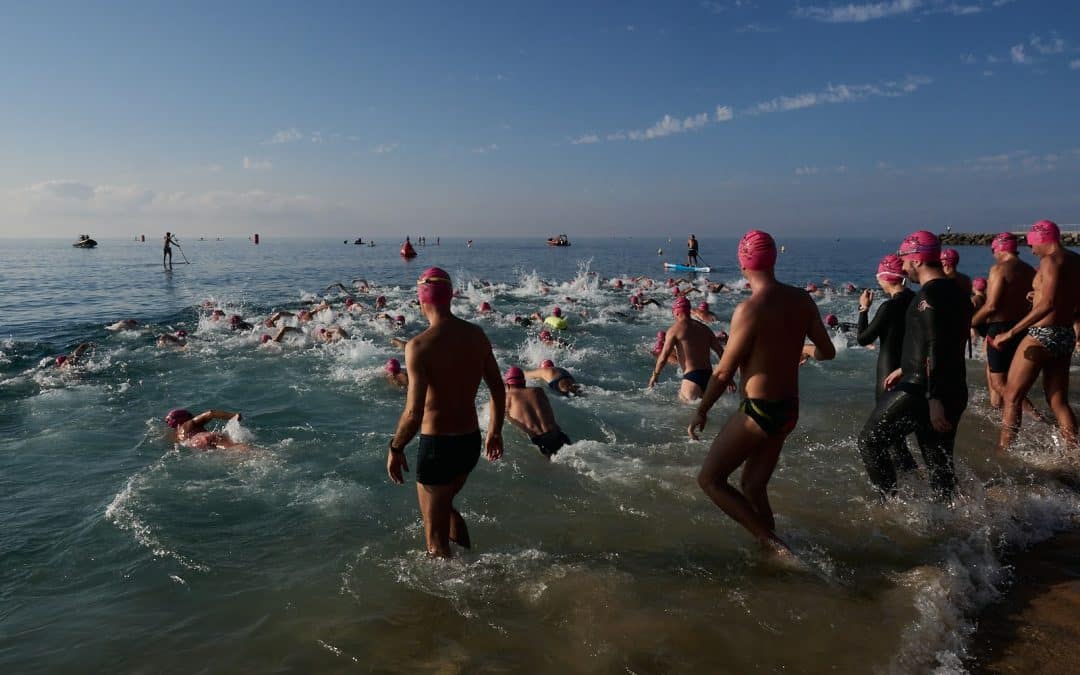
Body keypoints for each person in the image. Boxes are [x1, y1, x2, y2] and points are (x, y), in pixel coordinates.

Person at [689, 230, 835, 556]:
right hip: (789, 410)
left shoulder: (750, 309)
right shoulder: (803, 300)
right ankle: (776, 547)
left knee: (710, 480)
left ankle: (774, 547)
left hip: (759, 411)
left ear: (743, 263)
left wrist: (703, 409)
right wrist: (806, 352)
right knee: (753, 486)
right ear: (773, 259)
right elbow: (828, 352)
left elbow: (725, 370)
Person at [386, 267, 505, 557]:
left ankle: (458, 596)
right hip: (469, 443)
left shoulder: (418, 346)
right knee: (445, 506)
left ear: (422, 300)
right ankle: (471, 560)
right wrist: (494, 432)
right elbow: (499, 389)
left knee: (434, 543)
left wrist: (396, 447)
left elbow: (414, 413)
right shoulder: (477, 336)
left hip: (437, 447)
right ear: (450, 297)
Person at [857, 231, 971, 501]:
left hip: (924, 390)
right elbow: (948, 343)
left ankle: (890, 507)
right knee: (938, 465)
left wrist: (932, 397)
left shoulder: (927, 297)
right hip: (951, 386)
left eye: (905, 259)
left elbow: (934, 344)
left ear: (917, 260)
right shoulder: (958, 293)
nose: (904, 266)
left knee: (870, 441)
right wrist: (906, 368)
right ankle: (949, 524)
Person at [992, 220, 1079, 451]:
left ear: (1042, 240)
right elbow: (1065, 299)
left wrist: (1010, 332)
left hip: (1042, 335)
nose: (1031, 251)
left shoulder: (1050, 261)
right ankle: (1074, 452)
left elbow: (1048, 303)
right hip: (1065, 333)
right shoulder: (1075, 260)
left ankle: (1005, 451)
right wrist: (1037, 294)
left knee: (1012, 396)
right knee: (1058, 401)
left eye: (1032, 245)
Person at [855, 254, 918, 473]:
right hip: (913, 373)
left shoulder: (889, 307)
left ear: (885, 278)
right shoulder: (916, 300)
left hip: (889, 374)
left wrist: (863, 309)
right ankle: (916, 483)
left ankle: (894, 491)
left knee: (886, 438)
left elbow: (863, 338)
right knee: (900, 437)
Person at [970, 232, 1037, 409]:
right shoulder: (1029, 270)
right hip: (1022, 329)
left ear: (999, 249)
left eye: (993, 250)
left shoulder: (999, 269)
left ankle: (1038, 419)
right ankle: (1008, 415)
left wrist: (971, 321)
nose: (993, 255)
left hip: (999, 330)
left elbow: (991, 306)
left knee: (999, 383)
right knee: (1013, 380)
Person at [648, 296, 724, 402]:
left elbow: (664, 356)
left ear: (677, 312)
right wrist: (727, 376)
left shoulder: (674, 330)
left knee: (685, 415)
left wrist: (655, 375)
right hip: (709, 377)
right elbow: (721, 352)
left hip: (692, 377)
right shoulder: (705, 329)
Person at [503, 366, 572, 458]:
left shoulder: (506, 398)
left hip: (541, 441)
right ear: (524, 382)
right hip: (559, 435)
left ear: (507, 385)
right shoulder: (538, 391)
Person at [164, 408, 253, 451]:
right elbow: (210, 413)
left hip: (196, 444)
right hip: (207, 436)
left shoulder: (176, 436)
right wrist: (235, 416)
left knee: (231, 452)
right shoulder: (188, 423)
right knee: (239, 449)